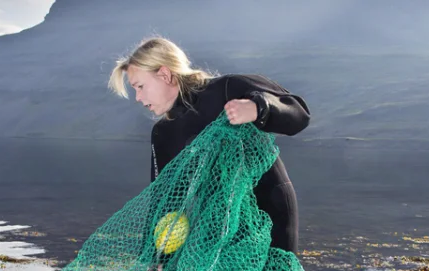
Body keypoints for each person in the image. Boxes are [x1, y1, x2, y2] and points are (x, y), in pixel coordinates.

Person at [109, 37, 309, 255]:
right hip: (217, 225)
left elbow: (299, 114)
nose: (138, 97)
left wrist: (258, 108)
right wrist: (154, 260)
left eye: (140, 87)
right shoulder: (163, 133)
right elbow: (164, 204)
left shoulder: (227, 89)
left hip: (271, 210)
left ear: (165, 74)